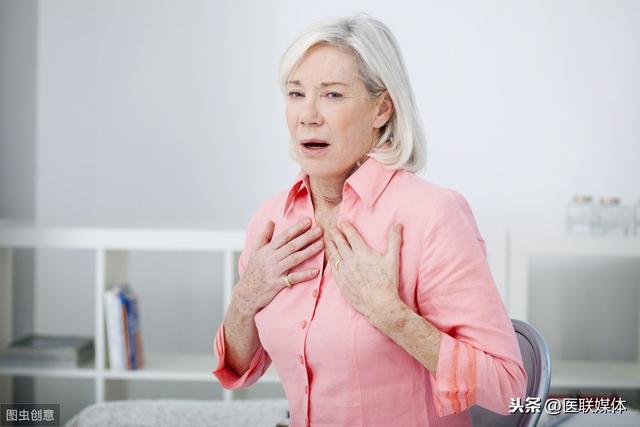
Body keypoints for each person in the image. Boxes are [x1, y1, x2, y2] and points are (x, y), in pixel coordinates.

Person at [213, 13, 527, 427]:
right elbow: (240, 370)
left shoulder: (432, 215)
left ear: (382, 108)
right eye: (295, 93)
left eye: (332, 95)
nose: (307, 115)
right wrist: (245, 298)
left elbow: (508, 390)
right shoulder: (271, 219)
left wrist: (388, 313)